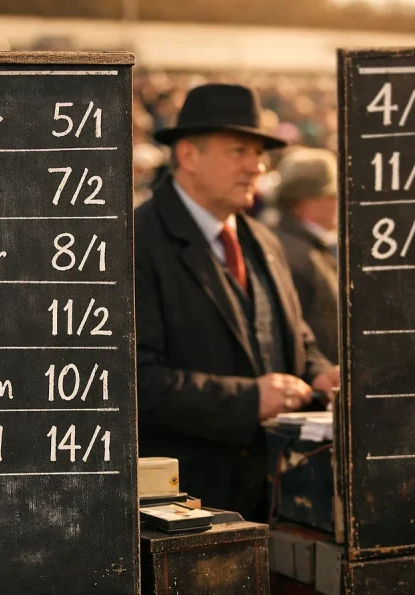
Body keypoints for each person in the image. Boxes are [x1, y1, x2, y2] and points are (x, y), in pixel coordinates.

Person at [135, 83, 339, 522]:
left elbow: (292, 334)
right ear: (188, 156)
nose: (257, 166)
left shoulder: (261, 239)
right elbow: (137, 384)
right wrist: (248, 400)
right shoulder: (138, 241)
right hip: (188, 510)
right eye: (239, 151)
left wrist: (321, 375)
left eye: (259, 153)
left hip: (274, 500)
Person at [275, 148, 340, 363]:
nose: (338, 202)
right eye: (331, 195)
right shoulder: (296, 254)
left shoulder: (306, 246)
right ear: (304, 201)